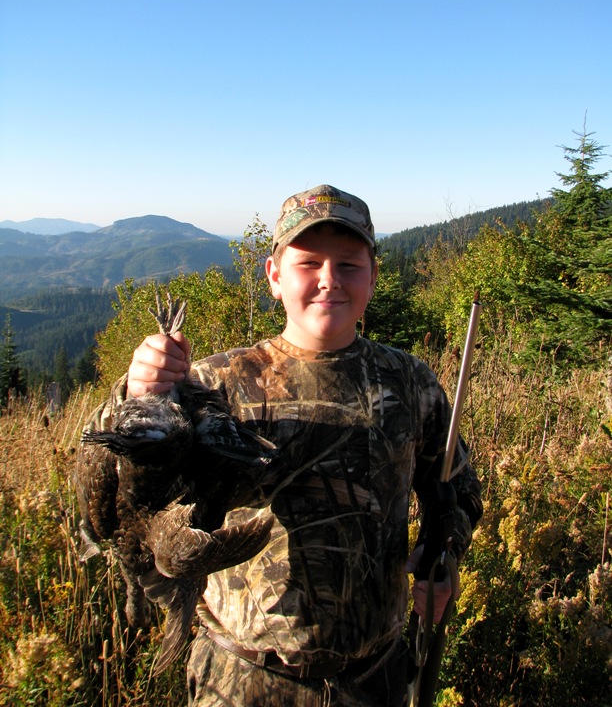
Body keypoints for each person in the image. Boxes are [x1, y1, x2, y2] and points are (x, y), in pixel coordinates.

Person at [89, 184, 482, 707]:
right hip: (241, 679)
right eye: (307, 263)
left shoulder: (408, 382)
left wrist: (441, 555)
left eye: (348, 264)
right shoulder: (214, 383)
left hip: (375, 679)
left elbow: (455, 490)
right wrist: (137, 393)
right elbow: (121, 500)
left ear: (373, 276)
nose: (328, 280)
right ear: (274, 276)